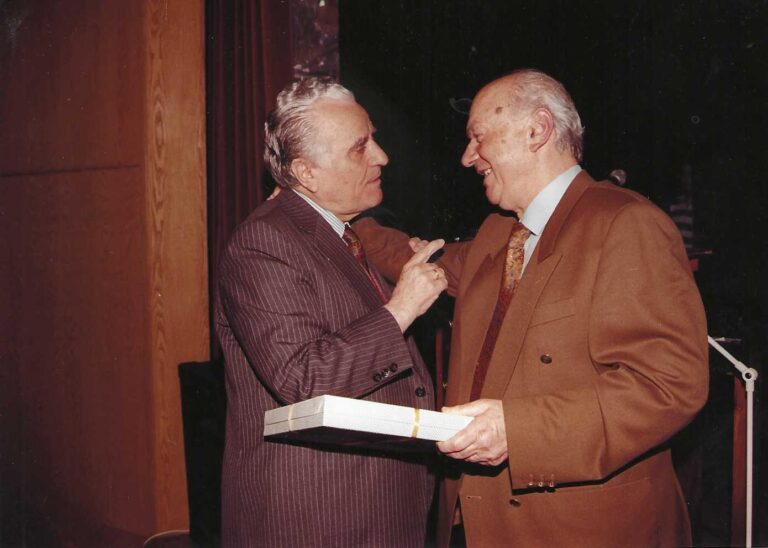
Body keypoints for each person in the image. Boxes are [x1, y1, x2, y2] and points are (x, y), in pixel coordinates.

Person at [354, 68, 709, 547]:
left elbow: (669, 385)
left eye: (478, 137)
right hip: (483, 522)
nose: (467, 157)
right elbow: (411, 259)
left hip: (584, 529)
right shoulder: (497, 235)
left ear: (537, 130)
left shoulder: (626, 224)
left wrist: (517, 431)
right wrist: (344, 216)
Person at [214, 77, 448, 547]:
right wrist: (402, 307)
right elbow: (305, 378)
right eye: (360, 147)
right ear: (307, 172)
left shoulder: (337, 233)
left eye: (373, 138)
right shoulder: (263, 243)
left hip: (374, 509)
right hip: (319, 519)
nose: (382, 156)